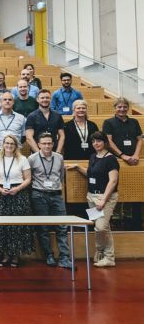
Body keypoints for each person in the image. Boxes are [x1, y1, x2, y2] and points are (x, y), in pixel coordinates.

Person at [66, 131, 119, 267]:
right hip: (91, 196)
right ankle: (105, 255)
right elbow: (90, 174)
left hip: (105, 197)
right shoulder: (93, 156)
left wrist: (103, 200)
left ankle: (105, 253)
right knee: (101, 227)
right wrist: (78, 167)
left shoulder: (111, 159)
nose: (96, 143)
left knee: (101, 227)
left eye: (99, 141)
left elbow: (113, 181)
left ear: (105, 142)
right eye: (94, 141)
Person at [28, 133, 71, 268]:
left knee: (62, 227)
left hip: (56, 195)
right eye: (44, 143)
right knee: (43, 228)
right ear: (39, 145)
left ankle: (64, 258)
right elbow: (29, 178)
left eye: (49, 143)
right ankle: (49, 255)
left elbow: (61, 176)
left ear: (53, 144)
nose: (47, 146)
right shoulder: (32, 159)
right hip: (39, 195)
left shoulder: (59, 158)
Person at [0, 135, 33, 267]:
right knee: (2, 225)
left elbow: (28, 179)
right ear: (3, 144)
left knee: (17, 226)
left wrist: (17, 189)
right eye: (7, 143)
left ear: (16, 146)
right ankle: (5, 255)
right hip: (2, 194)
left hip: (19, 194)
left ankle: (15, 256)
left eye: (12, 144)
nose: (9, 146)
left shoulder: (23, 159)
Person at [102, 97, 142, 166]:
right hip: (115, 158)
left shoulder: (134, 122)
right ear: (115, 108)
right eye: (119, 107)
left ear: (128, 108)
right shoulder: (108, 122)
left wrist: (136, 155)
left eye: (125, 107)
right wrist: (122, 156)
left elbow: (140, 139)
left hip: (134, 158)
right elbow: (108, 141)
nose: (122, 109)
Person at [25, 89, 65, 154]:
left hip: (54, 152)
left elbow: (62, 135)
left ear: (50, 99)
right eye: (42, 98)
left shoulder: (57, 115)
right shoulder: (31, 116)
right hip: (37, 152)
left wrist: (58, 151)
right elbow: (29, 138)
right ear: (37, 100)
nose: (45, 100)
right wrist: (39, 154)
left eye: (47, 98)